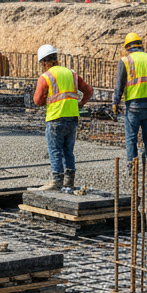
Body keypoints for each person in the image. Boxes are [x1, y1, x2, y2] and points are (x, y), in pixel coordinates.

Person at [32, 43, 93, 190]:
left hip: (55, 118)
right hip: (72, 117)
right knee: (68, 150)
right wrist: (80, 104)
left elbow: (37, 100)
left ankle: (57, 180)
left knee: (55, 150)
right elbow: (88, 91)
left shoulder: (46, 77)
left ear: (44, 63)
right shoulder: (71, 74)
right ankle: (69, 181)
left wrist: (46, 100)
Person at [112, 31, 147, 166]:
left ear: (127, 48)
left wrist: (115, 103)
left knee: (131, 137)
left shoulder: (125, 61)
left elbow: (119, 84)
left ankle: (132, 164)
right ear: (141, 46)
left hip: (134, 105)